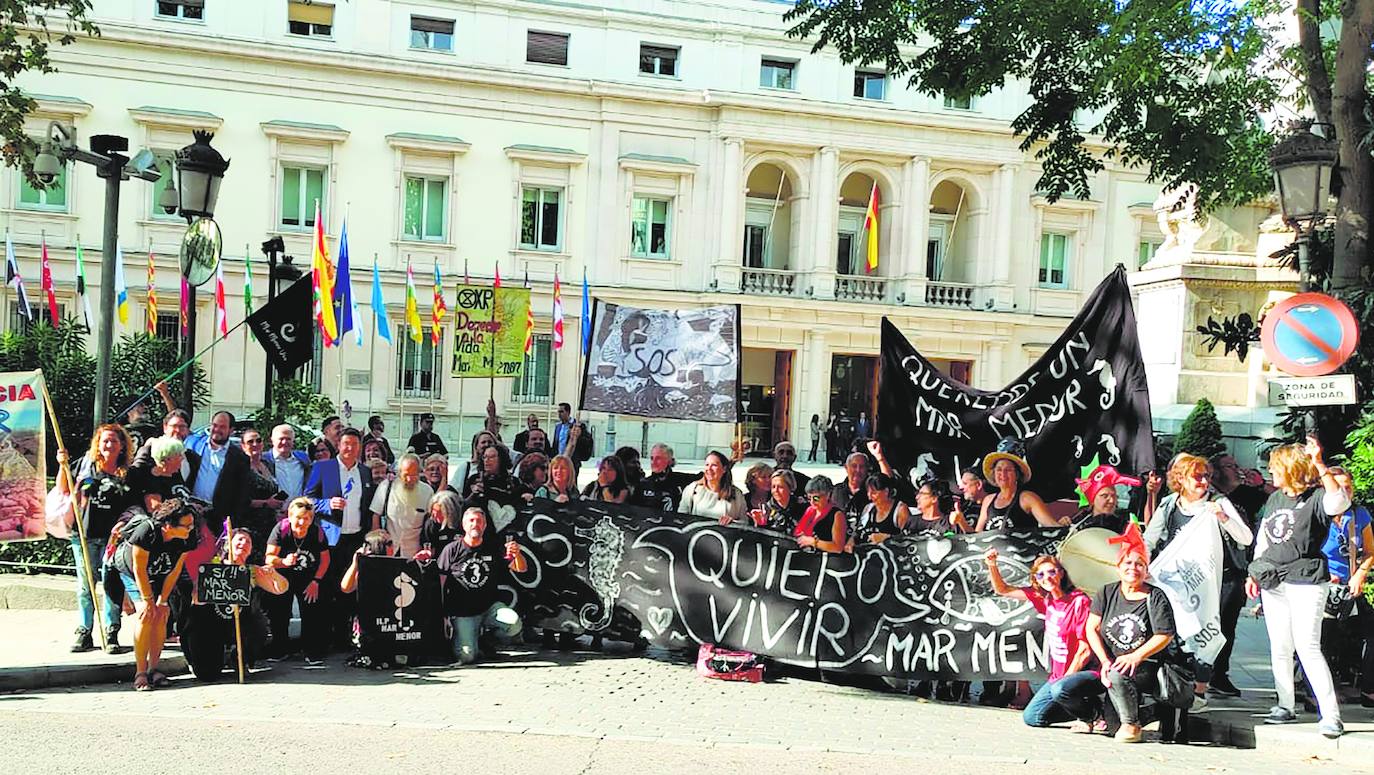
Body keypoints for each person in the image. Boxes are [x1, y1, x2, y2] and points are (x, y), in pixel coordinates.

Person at [1247, 437, 1350, 738]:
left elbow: (1339, 502)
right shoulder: (1275, 498)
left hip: (1305, 579)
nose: (1270, 472)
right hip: (1273, 579)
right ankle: (1284, 704)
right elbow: (1264, 539)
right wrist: (1254, 573)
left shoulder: (1317, 497)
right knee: (1280, 646)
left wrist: (1320, 463)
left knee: (1307, 646)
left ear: (1290, 468)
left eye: (1275, 467)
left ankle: (1330, 715)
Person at [1144, 454, 1254, 702]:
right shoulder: (1170, 504)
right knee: (1175, 634)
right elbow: (1149, 540)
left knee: (1208, 631)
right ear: (1181, 479)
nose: (1204, 482)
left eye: (1207, 476)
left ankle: (1201, 691)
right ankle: (1173, 687)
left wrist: (1223, 518)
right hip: (1178, 583)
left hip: (1213, 581)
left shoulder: (1218, 503)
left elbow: (1245, 538)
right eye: (1197, 477)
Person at [985, 549, 1100, 729]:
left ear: (1061, 573)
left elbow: (1085, 650)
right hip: (1057, 676)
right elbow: (1003, 589)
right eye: (1040, 575)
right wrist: (992, 564)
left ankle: (1091, 716)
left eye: (1052, 572)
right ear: (1036, 580)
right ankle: (1089, 709)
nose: (1047, 578)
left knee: (1061, 690)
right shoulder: (1046, 599)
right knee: (1033, 717)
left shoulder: (1079, 601)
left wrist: (1066, 681)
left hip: (1082, 673)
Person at [1085, 523, 1176, 743]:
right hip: (1115, 662)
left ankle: (1132, 725)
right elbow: (1091, 628)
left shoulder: (1155, 596)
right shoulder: (1106, 592)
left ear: (1146, 570)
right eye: (1128, 562)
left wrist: (1136, 656)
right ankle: (1152, 712)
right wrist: (1105, 661)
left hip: (1148, 663)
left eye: (1139, 564)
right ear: (1118, 567)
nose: (1133, 568)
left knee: (1119, 673)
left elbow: (1165, 635)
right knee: (1109, 725)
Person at [56, 423, 135, 653]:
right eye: (105, 441)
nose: (109, 445)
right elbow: (64, 488)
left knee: (112, 586)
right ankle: (84, 630)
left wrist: (123, 525)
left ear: (122, 446)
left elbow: (132, 505)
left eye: (114, 441)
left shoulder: (128, 473)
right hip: (85, 535)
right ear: (98, 445)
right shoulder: (85, 466)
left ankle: (111, 632)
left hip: (114, 539)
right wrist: (62, 465)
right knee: (85, 586)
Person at [113, 497, 197, 690]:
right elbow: (139, 568)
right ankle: (140, 672)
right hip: (131, 571)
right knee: (146, 615)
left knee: (161, 615)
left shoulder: (188, 537)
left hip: (161, 572)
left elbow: (175, 570)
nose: (191, 529)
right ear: (168, 525)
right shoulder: (147, 532)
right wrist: (148, 600)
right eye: (186, 526)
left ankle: (154, 669)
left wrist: (163, 600)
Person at [184, 528, 288, 682]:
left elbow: (281, 588)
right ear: (228, 544)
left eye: (248, 541)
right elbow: (195, 599)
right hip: (209, 626)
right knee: (207, 675)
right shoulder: (211, 566)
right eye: (239, 539)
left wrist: (273, 575)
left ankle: (240, 659)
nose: (243, 543)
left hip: (240, 625)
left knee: (259, 623)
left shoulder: (251, 571)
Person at [305, 427, 376, 648]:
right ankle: (324, 638)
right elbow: (307, 499)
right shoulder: (323, 468)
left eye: (355, 445)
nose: (350, 449)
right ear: (338, 445)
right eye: (346, 444)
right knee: (327, 589)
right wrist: (327, 504)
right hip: (329, 539)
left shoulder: (364, 472)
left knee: (349, 589)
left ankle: (345, 637)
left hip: (355, 538)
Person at [437, 506, 527, 665]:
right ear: (464, 525)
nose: (475, 524)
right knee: (467, 657)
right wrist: (444, 615)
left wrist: (518, 554)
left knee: (515, 624)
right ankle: (471, 641)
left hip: (489, 607)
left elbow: (521, 568)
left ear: (484, 526)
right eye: (471, 521)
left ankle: (487, 640)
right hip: (462, 612)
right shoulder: (451, 550)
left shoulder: (493, 547)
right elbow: (440, 581)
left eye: (479, 521)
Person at [1324, 466, 1374, 706]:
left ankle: (1368, 689)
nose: (1345, 491)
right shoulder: (1319, 513)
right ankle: (1320, 691)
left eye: (1348, 487)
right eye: (1339, 486)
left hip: (1349, 585)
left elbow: (1370, 551)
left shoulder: (1358, 514)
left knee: (1370, 632)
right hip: (1322, 585)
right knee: (1324, 639)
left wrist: (1359, 575)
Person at [265, 498, 331, 664]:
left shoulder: (317, 532)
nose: (302, 522)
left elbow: (325, 560)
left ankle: (312, 650)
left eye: (307, 518)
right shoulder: (281, 529)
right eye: (298, 517)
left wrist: (316, 581)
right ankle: (280, 648)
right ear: (290, 515)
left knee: (311, 613)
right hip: (284, 576)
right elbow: (269, 558)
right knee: (279, 613)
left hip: (308, 577)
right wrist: (283, 562)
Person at [185, 410, 252, 537]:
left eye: (222, 427)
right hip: (189, 509)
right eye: (215, 425)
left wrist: (232, 524)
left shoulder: (239, 458)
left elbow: (241, 495)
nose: (217, 429)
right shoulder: (193, 445)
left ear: (231, 430)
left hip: (216, 517)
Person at [976, 438, 1064, 530]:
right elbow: (976, 537)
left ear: (1017, 475)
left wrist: (1062, 525)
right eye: (999, 469)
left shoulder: (1028, 498)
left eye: (1008, 470)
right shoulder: (988, 501)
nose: (1003, 474)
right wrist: (961, 521)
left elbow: (1052, 526)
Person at [368, 453, 433, 559]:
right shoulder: (386, 486)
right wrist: (377, 543)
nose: (409, 479)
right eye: (406, 475)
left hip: (414, 552)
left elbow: (430, 523)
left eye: (414, 475)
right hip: (389, 550)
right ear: (399, 473)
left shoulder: (427, 491)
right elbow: (376, 514)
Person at [240, 427, 285, 558]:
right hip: (249, 523)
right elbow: (238, 500)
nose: (255, 444)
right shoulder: (240, 468)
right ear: (243, 446)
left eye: (258, 440)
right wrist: (266, 503)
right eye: (250, 441)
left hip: (269, 523)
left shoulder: (267, 464)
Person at [125, 436, 189, 514]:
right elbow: (156, 510)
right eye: (179, 455)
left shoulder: (174, 474)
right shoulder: (151, 481)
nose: (182, 458)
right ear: (168, 459)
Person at [680, 451, 746, 524]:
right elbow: (681, 518)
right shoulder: (692, 490)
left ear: (724, 469)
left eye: (714, 465)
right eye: (707, 465)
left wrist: (732, 522)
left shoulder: (736, 494)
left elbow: (744, 522)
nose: (709, 468)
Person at [1072, 465, 1141, 534]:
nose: (1111, 501)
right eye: (1105, 496)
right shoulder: (1079, 521)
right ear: (1092, 500)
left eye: (1114, 496)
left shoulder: (1124, 527)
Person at [1211, 453, 1268, 529]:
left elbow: (1277, 500)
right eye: (1230, 466)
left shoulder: (1246, 492)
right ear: (1216, 472)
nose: (1236, 470)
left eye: (1236, 466)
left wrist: (1261, 484)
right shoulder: (1208, 495)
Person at [854, 473, 915, 544]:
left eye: (874, 493)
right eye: (868, 492)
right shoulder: (868, 508)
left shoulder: (900, 510)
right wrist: (851, 540)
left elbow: (908, 538)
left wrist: (887, 537)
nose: (869, 497)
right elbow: (858, 530)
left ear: (886, 491)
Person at [634, 443, 694, 512]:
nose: (654, 462)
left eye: (658, 458)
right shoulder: (643, 484)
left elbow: (705, 476)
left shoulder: (682, 480)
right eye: (652, 458)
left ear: (670, 461)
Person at [795, 476, 846, 553]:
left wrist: (813, 542)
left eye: (816, 498)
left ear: (828, 495)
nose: (812, 502)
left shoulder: (837, 515)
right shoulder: (810, 510)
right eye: (809, 498)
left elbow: (838, 548)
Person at [416, 490, 465, 561]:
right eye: (434, 511)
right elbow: (429, 547)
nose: (435, 516)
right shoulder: (431, 523)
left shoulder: (464, 521)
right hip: (440, 561)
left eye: (440, 512)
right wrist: (427, 553)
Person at [266, 424, 311, 500]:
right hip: (274, 510)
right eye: (281, 439)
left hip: (299, 510)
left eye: (288, 439)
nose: (284, 442)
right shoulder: (265, 461)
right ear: (272, 440)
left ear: (293, 440)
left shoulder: (303, 459)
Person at [831, 452, 871, 536]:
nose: (858, 470)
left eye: (862, 467)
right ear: (846, 467)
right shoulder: (834, 491)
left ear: (868, 469)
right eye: (854, 466)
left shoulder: (874, 493)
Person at [552, 402, 593, 472]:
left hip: (572, 462)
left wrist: (577, 436)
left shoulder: (577, 425)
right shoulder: (558, 427)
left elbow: (586, 442)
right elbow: (555, 444)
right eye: (558, 412)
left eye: (561, 412)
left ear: (568, 412)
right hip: (559, 461)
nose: (559, 414)